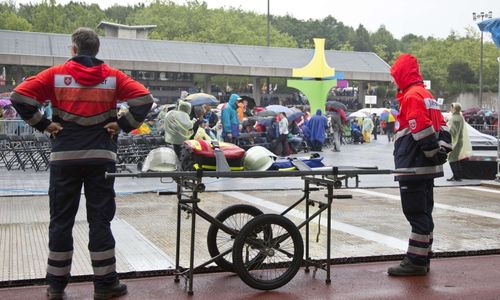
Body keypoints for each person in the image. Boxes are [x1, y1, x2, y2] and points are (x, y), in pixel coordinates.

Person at [10, 27, 153, 299]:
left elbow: (19, 97)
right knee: (100, 220)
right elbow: (144, 100)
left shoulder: (55, 75)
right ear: (96, 50)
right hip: (101, 157)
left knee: (61, 220)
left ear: (73, 49)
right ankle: (105, 284)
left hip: (65, 157)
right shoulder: (113, 77)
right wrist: (121, 124)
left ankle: (56, 286)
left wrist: (44, 124)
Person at [388, 53, 451, 276]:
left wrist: (432, 151)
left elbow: (419, 127)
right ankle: (423, 257)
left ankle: (415, 261)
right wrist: (441, 152)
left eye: (395, 76)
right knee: (424, 212)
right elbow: (443, 126)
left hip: (413, 166)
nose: (394, 81)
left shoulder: (412, 96)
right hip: (427, 168)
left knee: (415, 212)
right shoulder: (427, 95)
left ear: (403, 74)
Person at [446, 103, 472, 181]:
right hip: (459, 141)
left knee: (451, 160)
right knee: (456, 159)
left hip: (454, 141)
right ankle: (457, 175)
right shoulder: (460, 117)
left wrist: (446, 123)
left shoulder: (454, 118)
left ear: (455, 108)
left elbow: (451, 131)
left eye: (452, 107)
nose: (451, 109)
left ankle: (456, 176)